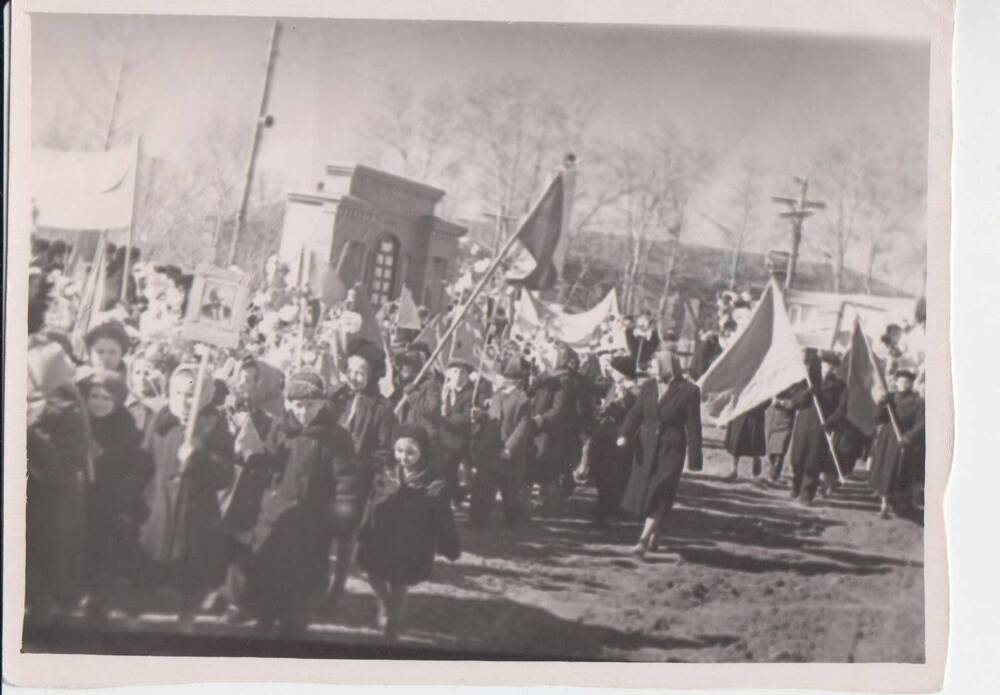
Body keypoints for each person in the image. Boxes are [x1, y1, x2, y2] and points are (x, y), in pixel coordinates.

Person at [247, 371, 356, 636]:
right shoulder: (280, 430)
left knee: (299, 587)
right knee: (269, 577)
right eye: (298, 405)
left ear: (321, 404)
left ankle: (292, 630)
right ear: (288, 404)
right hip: (276, 519)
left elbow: (346, 482)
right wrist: (253, 458)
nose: (304, 412)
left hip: (311, 525)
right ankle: (264, 621)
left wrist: (342, 518)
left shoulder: (336, 437)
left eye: (310, 405)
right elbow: (267, 466)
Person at [138, 364, 235, 630]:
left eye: (191, 394)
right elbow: (146, 462)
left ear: (204, 395)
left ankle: (187, 613)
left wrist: (198, 458)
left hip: (195, 513)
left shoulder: (213, 426)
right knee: (156, 558)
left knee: (192, 567)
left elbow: (225, 474)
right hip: (160, 505)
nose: (184, 400)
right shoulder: (162, 421)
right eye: (178, 393)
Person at [356, 424, 461, 641]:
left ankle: (392, 623)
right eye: (399, 451)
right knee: (374, 574)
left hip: (411, 542)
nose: (404, 457)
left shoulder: (433, 481)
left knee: (399, 583)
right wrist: (365, 527)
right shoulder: (385, 471)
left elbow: (442, 515)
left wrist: (448, 543)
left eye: (411, 452)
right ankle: (384, 603)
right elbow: (372, 500)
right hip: (381, 536)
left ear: (422, 451)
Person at [325, 338, 397, 610]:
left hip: (355, 482)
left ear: (373, 374)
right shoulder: (337, 396)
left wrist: (362, 461)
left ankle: (336, 591)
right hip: (326, 473)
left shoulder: (381, 408)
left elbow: (384, 449)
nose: (353, 377)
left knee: (345, 538)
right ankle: (316, 584)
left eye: (360, 372)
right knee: (320, 530)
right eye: (351, 370)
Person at [26, 333, 92, 623]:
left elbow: (62, 462)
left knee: (48, 550)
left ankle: (45, 607)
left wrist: (33, 430)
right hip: (35, 495)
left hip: (53, 497)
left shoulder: (67, 408)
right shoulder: (30, 403)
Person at [77, 369, 150, 622]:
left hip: (113, 501)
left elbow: (139, 468)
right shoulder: (80, 423)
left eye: (106, 398)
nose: (98, 403)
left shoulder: (127, 428)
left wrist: (123, 496)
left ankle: (101, 596)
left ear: (118, 401)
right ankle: (85, 590)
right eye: (94, 396)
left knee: (107, 548)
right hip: (84, 496)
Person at [616, 347, 703, 558]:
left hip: (671, 447)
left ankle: (642, 541)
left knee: (659, 491)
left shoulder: (689, 391)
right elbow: (636, 413)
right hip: (645, 447)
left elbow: (693, 426)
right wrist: (624, 433)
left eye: (656, 365)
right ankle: (656, 534)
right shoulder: (648, 387)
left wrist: (695, 458)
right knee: (647, 492)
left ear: (668, 366)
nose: (653, 370)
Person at [468, 357, 534, 527]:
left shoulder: (522, 399)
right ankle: (478, 519)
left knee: (510, 490)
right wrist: (481, 415)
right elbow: (493, 417)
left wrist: (509, 448)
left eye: (500, 376)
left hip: (507, 451)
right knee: (482, 486)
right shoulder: (497, 395)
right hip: (490, 447)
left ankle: (514, 520)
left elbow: (523, 427)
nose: (497, 378)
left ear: (511, 379)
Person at [529, 344, 583, 513]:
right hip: (538, 427)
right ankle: (546, 500)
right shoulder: (546, 376)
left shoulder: (565, 380)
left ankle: (552, 503)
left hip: (552, 431)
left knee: (548, 466)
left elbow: (559, 409)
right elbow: (531, 393)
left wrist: (541, 419)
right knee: (540, 465)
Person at [787, 350, 845, 505]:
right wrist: (807, 392)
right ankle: (796, 484)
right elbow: (794, 402)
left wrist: (830, 422)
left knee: (814, 462)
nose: (828, 368)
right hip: (804, 424)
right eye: (826, 365)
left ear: (835, 369)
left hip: (821, 427)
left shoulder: (839, 386)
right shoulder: (807, 381)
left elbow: (841, 409)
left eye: (832, 366)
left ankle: (807, 495)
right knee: (798, 459)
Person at [867, 369, 926, 519]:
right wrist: (881, 404)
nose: (903, 384)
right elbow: (877, 419)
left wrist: (909, 438)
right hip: (887, 440)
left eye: (907, 382)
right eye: (901, 381)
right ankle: (884, 505)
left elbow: (923, 424)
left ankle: (901, 502)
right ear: (896, 383)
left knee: (898, 474)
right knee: (884, 472)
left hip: (904, 441)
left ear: (912, 384)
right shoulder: (890, 399)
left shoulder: (919, 402)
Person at [589, 355, 639, 527]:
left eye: (615, 370)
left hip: (619, 439)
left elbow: (631, 417)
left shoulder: (635, 393)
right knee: (600, 474)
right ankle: (605, 511)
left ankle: (609, 513)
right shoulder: (614, 387)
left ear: (623, 373)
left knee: (613, 476)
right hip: (604, 436)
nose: (611, 372)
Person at [438, 358, 478, 507]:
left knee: (449, 469)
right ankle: (456, 495)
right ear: (448, 373)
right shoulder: (444, 389)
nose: (458, 375)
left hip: (459, 438)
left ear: (467, 375)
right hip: (442, 436)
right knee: (445, 471)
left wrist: (444, 417)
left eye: (462, 372)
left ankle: (454, 496)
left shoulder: (471, 393)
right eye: (455, 371)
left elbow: (465, 418)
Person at [763, 383, 801, 484]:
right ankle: (772, 470)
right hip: (771, 419)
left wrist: (781, 402)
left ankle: (774, 475)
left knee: (780, 450)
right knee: (771, 450)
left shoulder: (795, 385)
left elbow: (796, 402)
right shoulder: (775, 382)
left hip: (785, 420)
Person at [722, 401, 768, 480]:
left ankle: (756, 460)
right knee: (735, 440)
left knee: (754, 439)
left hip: (755, 413)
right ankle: (734, 470)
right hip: (738, 411)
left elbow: (768, 397)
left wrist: (758, 405)